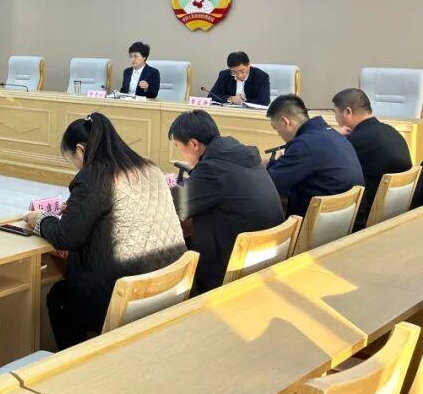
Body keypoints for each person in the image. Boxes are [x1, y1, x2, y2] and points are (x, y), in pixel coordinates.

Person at [23, 113, 186, 349]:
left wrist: (39, 218)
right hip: (170, 281)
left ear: (80, 149)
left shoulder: (94, 176)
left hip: (128, 293)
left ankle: (79, 363)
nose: (76, 166)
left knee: (60, 298)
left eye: (73, 159)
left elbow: (65, 236)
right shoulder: (149, 167)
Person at [168, 110, 284, 293]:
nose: (182, 155)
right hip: (265, 258)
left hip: (230, 271)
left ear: (194, 144)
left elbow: (173, 205)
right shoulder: (243, 155)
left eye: (179, 147)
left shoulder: (213, 169)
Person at [265, 94, 364, 217]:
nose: (278, 134)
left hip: (317, 221)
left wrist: (261, 168)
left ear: (285, 122)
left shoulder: (304, 144)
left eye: (276, 128)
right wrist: (273, 164)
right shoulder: (331, 134)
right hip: (346, 218)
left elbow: (270, 185)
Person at [332, 88, 413, 229]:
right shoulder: (392, 131)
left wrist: (334, 136)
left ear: (347, 112)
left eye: (335, 112)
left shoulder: (355, 141)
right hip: (399, 213)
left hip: (367, 219)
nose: (335, 118)